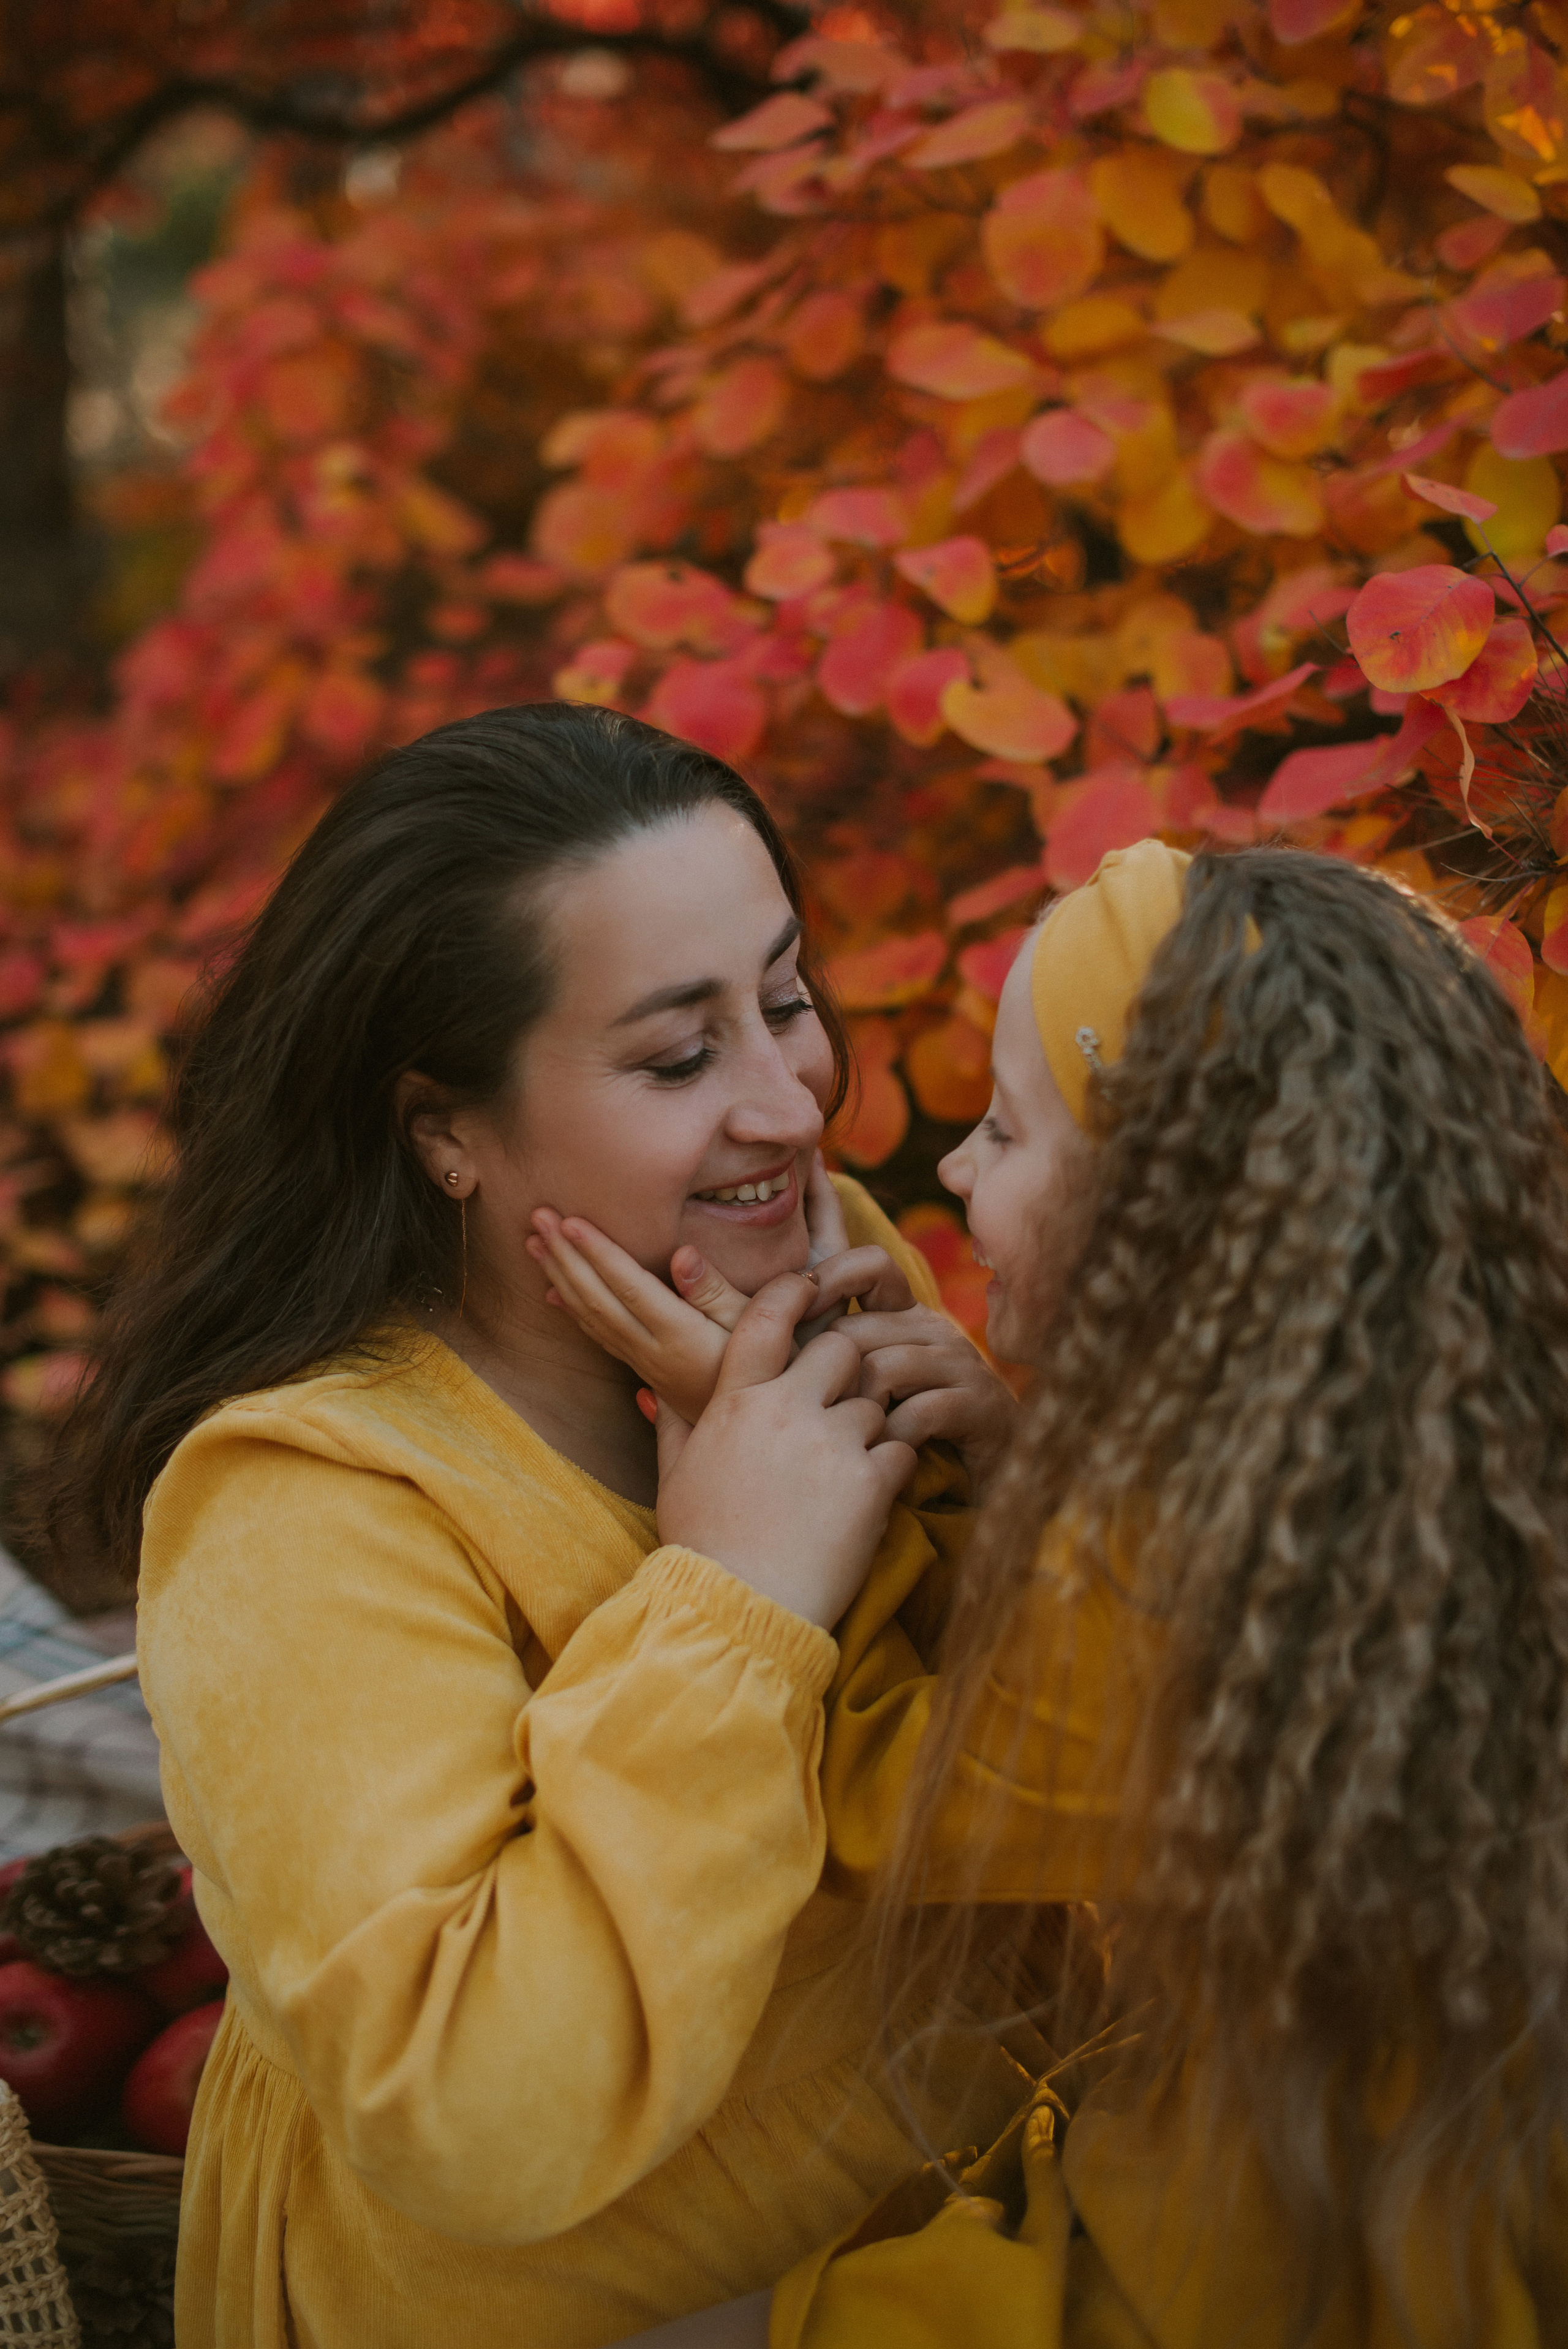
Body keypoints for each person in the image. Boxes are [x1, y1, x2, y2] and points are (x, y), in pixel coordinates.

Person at [47, 704, 1037, 2349]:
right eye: (677, 1058)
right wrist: (736, 1591)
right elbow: (473, 2113)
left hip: (958, 2235)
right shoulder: (303, 1505)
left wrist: (1008, 1494)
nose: (791, 1106)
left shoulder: (811, 1264)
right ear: (444, 1125)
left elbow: (1012, 1786)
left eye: (786, 999)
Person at [603, 841, 1568, 2348]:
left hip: (1254, 2273)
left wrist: (764, 1470)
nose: (951, 1172)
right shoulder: (1406, 1467)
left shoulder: (1174, 1576)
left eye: (1000, 1129)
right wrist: (1011, 1460)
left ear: (1154, 1209)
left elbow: (878, 1809)